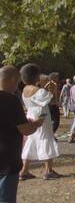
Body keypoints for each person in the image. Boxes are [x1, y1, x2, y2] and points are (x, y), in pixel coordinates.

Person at [0, 66, 43, 203]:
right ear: (13, 79)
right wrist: (36, 124)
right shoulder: (10, 100)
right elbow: (26, 130)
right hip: (7, 159)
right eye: (18, 81)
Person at [19, 64, 61, 180]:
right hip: (41, 116)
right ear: (36, 76)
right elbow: (52, 101)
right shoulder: (38, 90)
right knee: (46, 139)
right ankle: (48, 170)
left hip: (31, 115)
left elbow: (37, 100)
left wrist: (45, 89)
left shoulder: (25, 89)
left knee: (31, 141)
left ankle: (24, 171)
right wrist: (53, 89)